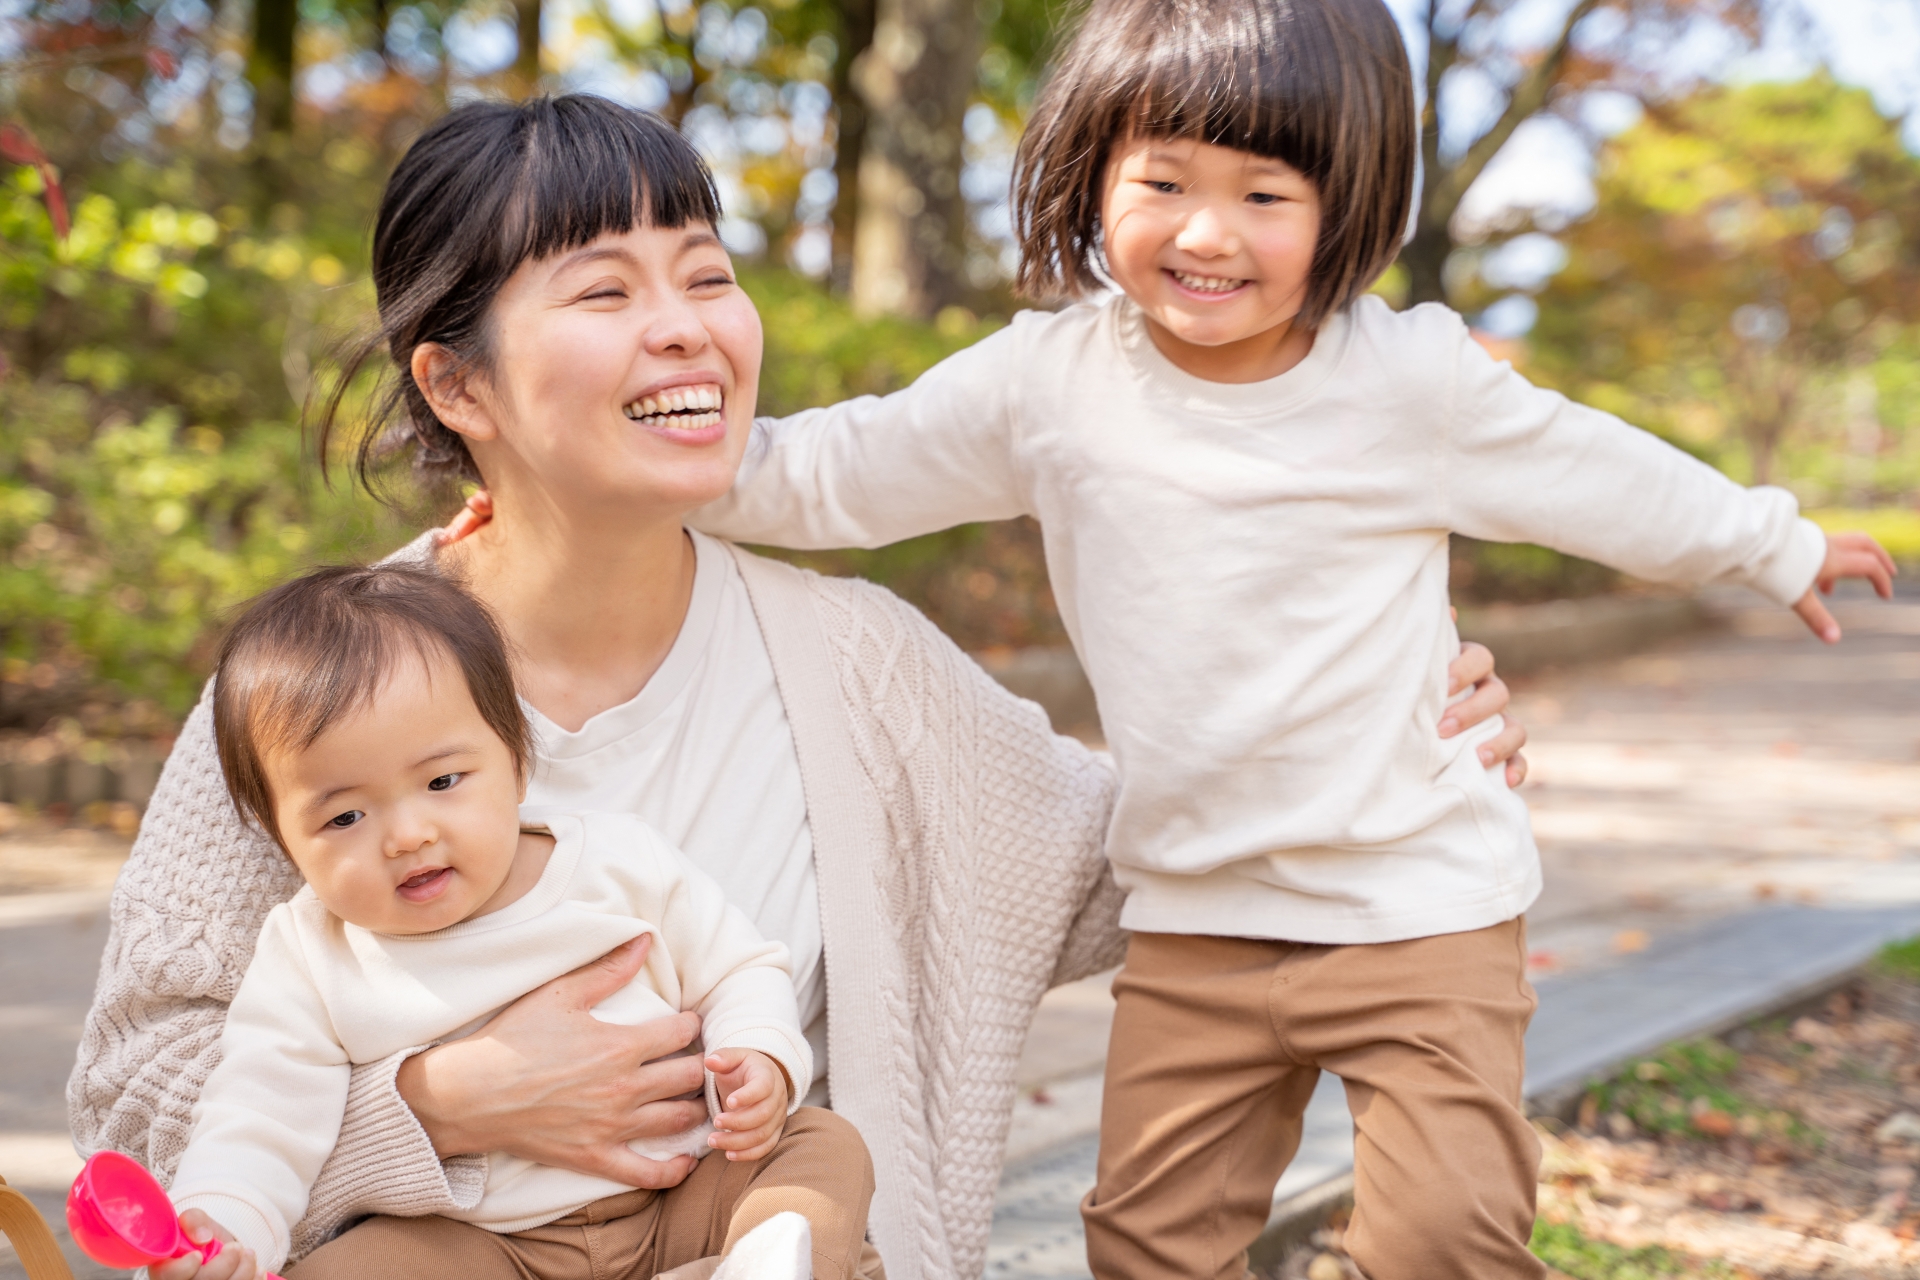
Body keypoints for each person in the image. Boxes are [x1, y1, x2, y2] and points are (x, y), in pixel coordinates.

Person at [68, 95, 1528, 1280]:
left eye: (708, 274)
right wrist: (440, 1107)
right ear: (458, 387)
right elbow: (139, 1085)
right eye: (606, 289)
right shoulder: (313, 693)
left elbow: (1136, 862)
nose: (689, 324)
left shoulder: (860, 668)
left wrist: (1373, 732)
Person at [686, 2, 1900, 1277]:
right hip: (1199, 916)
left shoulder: (1408, 381)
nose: (1206, 232)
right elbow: (831, 474)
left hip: (1417, 901)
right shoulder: (1047, 384)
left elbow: (1594, 472)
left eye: (1265, 194)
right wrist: (649, 469)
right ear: (1093, 170)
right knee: (1149, 1245)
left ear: (1350, 205)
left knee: (1447, 1234)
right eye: (1162, 181)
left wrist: (1772, 541)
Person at [161, 562, 867, 1280]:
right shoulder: (311, 957)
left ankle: (755, 1267)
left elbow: (738, 967)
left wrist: (758, 1056)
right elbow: (259, 1122)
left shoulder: (616, 864)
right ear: (285, 841)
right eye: (345, 816)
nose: (407, 835)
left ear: (517, 761)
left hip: (680, 1198)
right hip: (479, 1245)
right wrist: (219, 1227)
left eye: (442, 782)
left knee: (820, 1150)